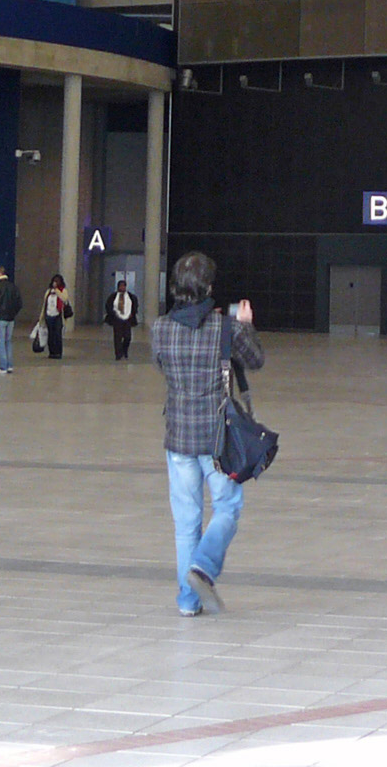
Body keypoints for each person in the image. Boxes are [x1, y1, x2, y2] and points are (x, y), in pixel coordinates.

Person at [151, 251, 263, 616]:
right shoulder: (224, 329)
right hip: (217, 439)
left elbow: (161, 365)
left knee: (186, 522)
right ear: (209, 287)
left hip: (179, 436)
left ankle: (187, 601)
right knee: (228, 507)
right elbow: (256, 360)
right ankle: (204, 565)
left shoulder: (161, 328)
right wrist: (245, 324)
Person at [0, 266, 23, 374]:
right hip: (10, 318)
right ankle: (9, 365)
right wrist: (13, 313)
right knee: (8, 341)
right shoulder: (13, 287)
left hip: (0, 318)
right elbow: (19, 303)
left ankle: (3, 366)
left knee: (0, 341)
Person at [107, 276, 140, 361]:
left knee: (127, 337)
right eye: (120, 286)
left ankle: (125, 350)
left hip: (127, 319)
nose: (122, 287)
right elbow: (108, 306)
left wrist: (132, 314)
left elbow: (135, 306)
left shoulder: (131, 297)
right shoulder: (113, 296)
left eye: (123, 286)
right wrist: (113, 314)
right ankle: (118, 354)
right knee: (117, 337)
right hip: (117, 319)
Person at [41, 273, 72, 359]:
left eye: (57, 281)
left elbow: (64, 298)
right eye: (54, 281)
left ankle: (58, 352)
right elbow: (45, 304)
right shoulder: (48, 291)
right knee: (50, 334)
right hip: (49, 315)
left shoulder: (63, 290)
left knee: (57, 334)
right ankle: (52, 352)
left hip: (58, 315)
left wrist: (57, 290)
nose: (55, 283)